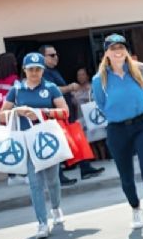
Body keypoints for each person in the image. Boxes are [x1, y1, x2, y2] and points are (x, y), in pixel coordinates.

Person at [93, 34, 143, 239]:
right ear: (106, 52)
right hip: (117, 130)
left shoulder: (140, 70)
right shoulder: (100, 79)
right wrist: (118, 114)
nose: (118, 51)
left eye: (121, 47)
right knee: (126, 178)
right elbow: (100, 104)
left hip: (142, 126)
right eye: (113, 47)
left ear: (126, 50)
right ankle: (135, 208)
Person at [0, 52, 69, 239]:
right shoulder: (17, 90)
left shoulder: (51, 87)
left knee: (53, 180)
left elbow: (64, 112)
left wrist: (41, 112)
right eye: (31, 69)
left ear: (43, 70)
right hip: (27, 141)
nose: (34, 73)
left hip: (48, 141)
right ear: (24, 70)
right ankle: (42, 223)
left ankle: (55, 208)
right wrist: (17, 111)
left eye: (38, 69)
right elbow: (2, 115)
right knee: (35, 184)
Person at [39, 44, 104, 182]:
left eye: (56, 54)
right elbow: (52, 90)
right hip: (56, 116)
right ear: (42, 57)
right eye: (52, 55)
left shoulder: (53, 71)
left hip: (67, 114)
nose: (56, 57)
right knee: (59, 145)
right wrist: (69, 88)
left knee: (78, 140)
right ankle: (59, 177)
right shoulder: (43, 72)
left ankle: (85, 168)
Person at [0, 52, 27, 186]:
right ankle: (25, 174)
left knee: (11, 147)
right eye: (14, 61)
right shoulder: (13, 79)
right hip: (15, 117)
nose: (16, 63)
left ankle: (12, 176)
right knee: (22, 145)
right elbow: (21, 98)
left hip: (4, 117)